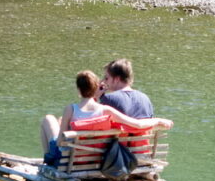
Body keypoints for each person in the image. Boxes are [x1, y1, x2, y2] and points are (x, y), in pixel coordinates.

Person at [40, 70, 172, 165]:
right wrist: (159, 120)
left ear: (78, 89)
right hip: (96, 159)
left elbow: (60, 143)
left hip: (68, 160)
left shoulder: (70, 109)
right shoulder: (106, 110)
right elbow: (137, 124)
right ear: (96, 88)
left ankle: (47, 161)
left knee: (48, 119)